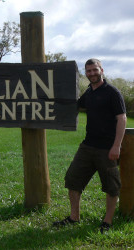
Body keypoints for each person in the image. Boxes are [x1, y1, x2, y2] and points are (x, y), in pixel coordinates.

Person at [53, 58, 127, 233]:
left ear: (101, 69)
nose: (92, 73)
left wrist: (116, 146)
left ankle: (107, 222)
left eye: (95, 70)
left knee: (111, 186)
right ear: (85, 73)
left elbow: (121, 118)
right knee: (72, 179)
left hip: (107, 148)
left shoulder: (112, 92)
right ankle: (74, 217)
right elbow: (75, 105)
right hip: (87, 146)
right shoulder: (90, 92)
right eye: (88, 71)